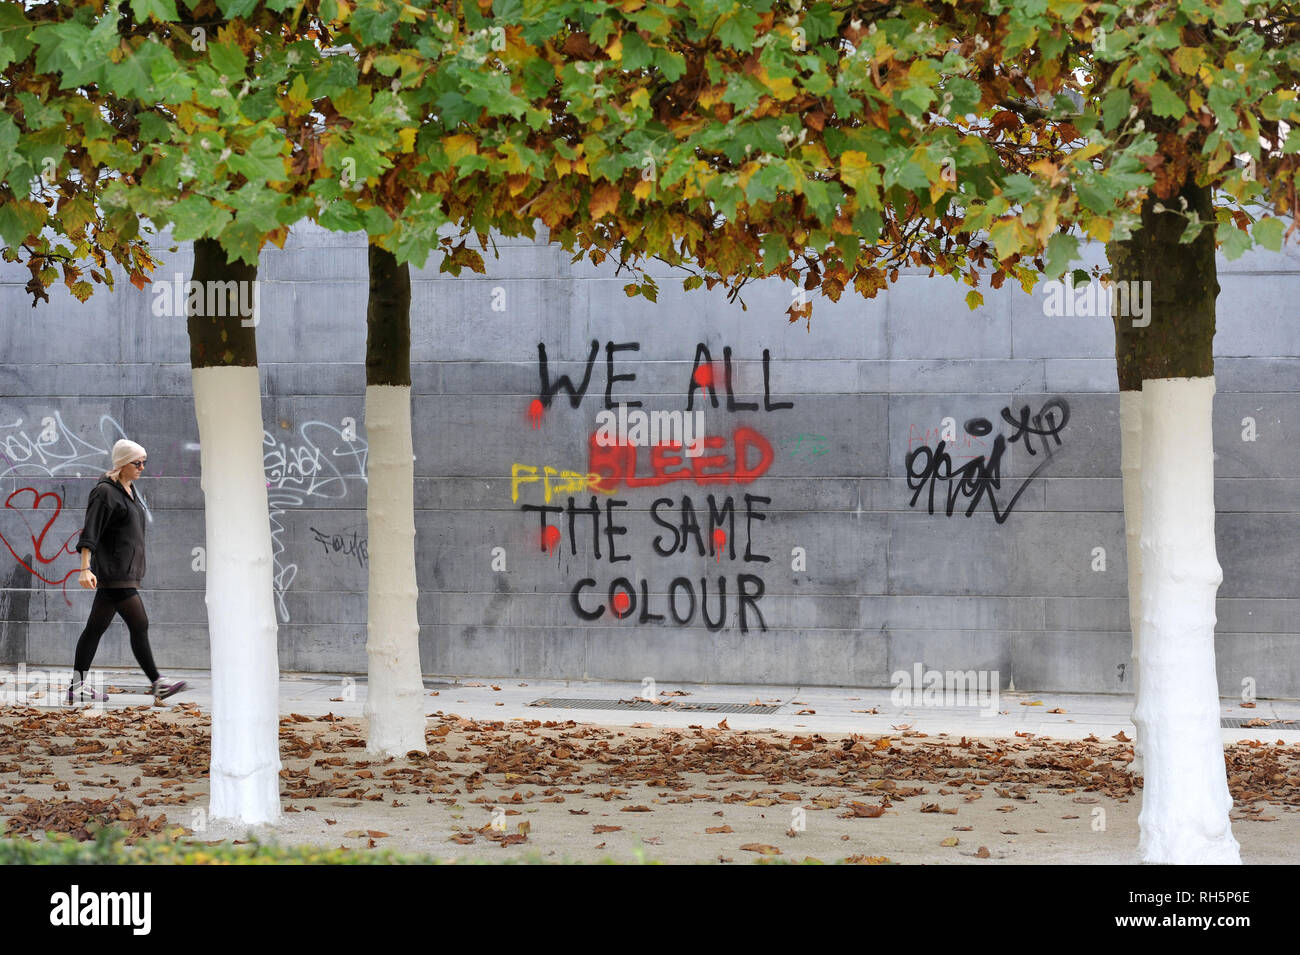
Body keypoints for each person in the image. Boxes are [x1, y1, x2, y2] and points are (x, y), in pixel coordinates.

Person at [68, 438, 187, 705]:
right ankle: (158, 683)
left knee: (94, 629)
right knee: (139, 623)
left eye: (144, 462)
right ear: (122, 464)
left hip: (125, 571)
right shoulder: (105, 492)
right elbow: (90, 532)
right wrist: (84, 568)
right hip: (114, 573)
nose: (142, 467)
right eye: (137, 462)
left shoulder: (129, 490)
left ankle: (77, 687)